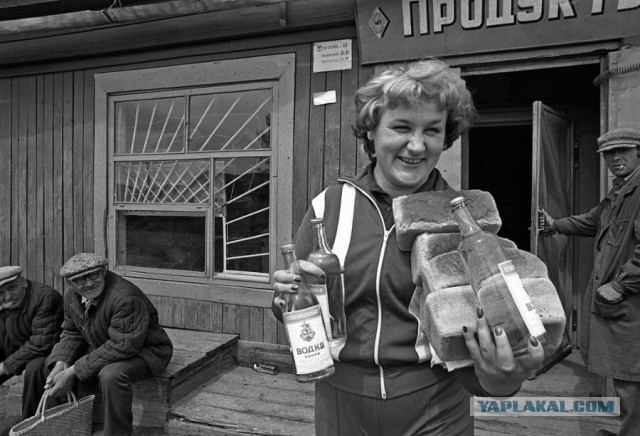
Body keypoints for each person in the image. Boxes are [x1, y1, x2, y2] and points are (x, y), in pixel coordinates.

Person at [272, 59, 545, 435]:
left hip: (435, 410)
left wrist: (503, 375)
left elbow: (480, 350)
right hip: (341, 406)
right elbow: (298, 307)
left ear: (445, 138)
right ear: (371, 131)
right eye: (401, 127)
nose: (416, 145)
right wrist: (285, 299)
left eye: (432, 130)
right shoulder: (329, 207)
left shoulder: (466, 221)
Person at [540, 127, 640, 436]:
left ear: (639, 152)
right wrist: (556, 225)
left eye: (622, 151)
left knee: (630, 376)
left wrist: (621, 284)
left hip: (630, 301)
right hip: (620, 303)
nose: (615, 158)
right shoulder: (619, 191)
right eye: (609, 154)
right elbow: (591, 220)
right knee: (625, 376)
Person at [44, 253, 173, 436]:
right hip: (104, 345)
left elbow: (124, 345)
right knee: (51, 369)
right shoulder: (72, 297)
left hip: (146, 351)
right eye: (79, 279)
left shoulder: (125, 297)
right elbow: (72, 333)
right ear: (70, 283)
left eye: (93, 275)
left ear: (104, 271)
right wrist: (61, 363)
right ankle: (62, 430)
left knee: (111, 375)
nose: (88, 283)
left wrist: (74, 370)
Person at [0, 266, 63, 420]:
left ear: (23, 283)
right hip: (16, 349)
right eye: (1, 292)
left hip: (49, 352)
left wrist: (5, 366)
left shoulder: (45, 297)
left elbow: (42, 343)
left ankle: (31, 423)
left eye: (12, 288)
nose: (7, 296)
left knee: (34, 367)